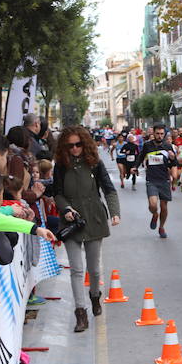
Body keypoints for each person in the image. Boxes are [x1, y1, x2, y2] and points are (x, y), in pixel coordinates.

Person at [53, 126, 121, 332]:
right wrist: (65, 208)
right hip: (71, 222)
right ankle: (80, 313)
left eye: (78, 144)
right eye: (70, 145)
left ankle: (94, 296)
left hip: (93, 218)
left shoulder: (95, 163)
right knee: (76, 269)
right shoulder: (60, 166)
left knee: (94, 268)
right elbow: (57, 193)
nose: (75, 149)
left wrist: (115, 212)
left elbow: (109, 189)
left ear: (85, 144)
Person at [135, 124, 178, 238]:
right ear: (153, 133)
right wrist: (135, 167)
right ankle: (155, 214)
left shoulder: (168, 146)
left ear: (164, 134)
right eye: (157, 134)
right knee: (153, 205)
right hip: (152, 179)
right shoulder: (147, 145)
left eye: (161, 134)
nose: (159, 136)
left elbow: (174, 163)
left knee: (164, 207)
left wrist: (173, 158)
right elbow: (140, 157)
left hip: (164, 179)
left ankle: (162, 227)